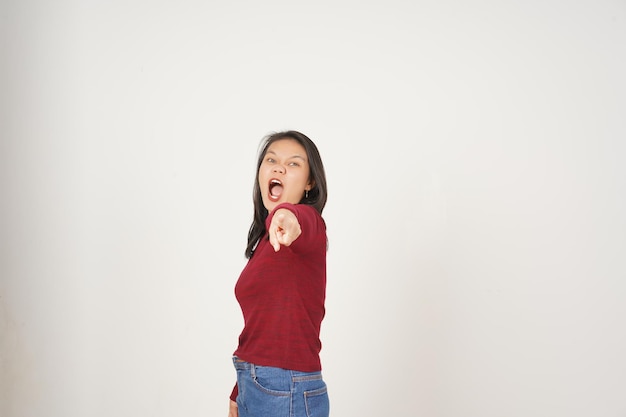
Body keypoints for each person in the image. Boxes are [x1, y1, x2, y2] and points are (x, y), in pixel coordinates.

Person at [228, 131, 330, 417]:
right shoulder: (264, 242)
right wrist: (239, 392)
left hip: (287, 389)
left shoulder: (309, 226)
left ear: (310, 183)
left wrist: (286, 215)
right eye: (271, 160)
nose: (279, 167)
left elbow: (294, 218)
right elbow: (260, 325)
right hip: (256, 385)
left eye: (294, 164)